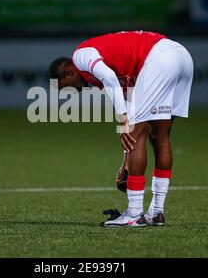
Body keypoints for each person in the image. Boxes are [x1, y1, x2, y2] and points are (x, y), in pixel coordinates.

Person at [48, 31, 194, 227]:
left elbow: (110, 79)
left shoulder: (80, 56)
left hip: (160, 57)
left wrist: (123, 122)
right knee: (159, 136)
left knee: (138, 135)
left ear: (68, 72)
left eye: (67, 87)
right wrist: (126, 159)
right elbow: (130, 103)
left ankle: (134, 214)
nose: (73, 92)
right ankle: (157, 212)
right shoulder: (104, 75)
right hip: (181, 57)